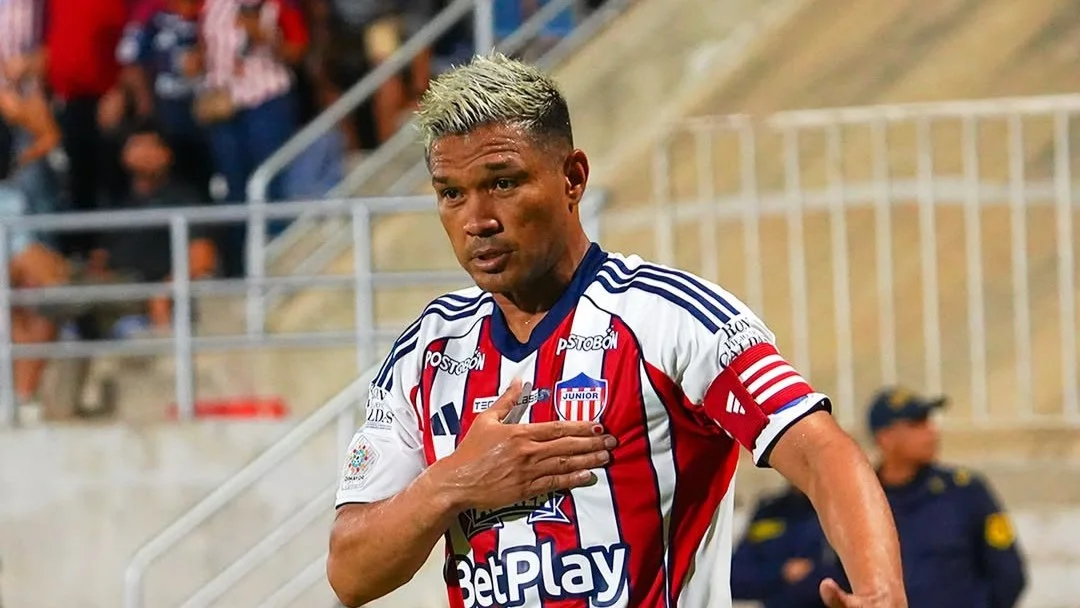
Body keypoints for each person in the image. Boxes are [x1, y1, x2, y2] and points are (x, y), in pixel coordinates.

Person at [327, 54, 907, 608]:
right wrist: (452, 483)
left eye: (503, 183)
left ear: (573, 178)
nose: (477, 220)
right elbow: (350, 573)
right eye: (451, 193)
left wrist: (879, 590)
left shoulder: (671, 319)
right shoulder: (426, 351)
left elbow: (822, 450)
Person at [868, 387, 1027, 608]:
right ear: (885, 438)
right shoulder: (862, 501)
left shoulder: (966, 492)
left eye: (929, 422)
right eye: (917, 424)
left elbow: (1008, 574)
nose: (932, 431)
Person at [731, 485, 846, 607]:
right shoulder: (769, 512)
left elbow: (846, 580)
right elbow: (733, 577)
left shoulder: (842, 514)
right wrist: (780, 572)